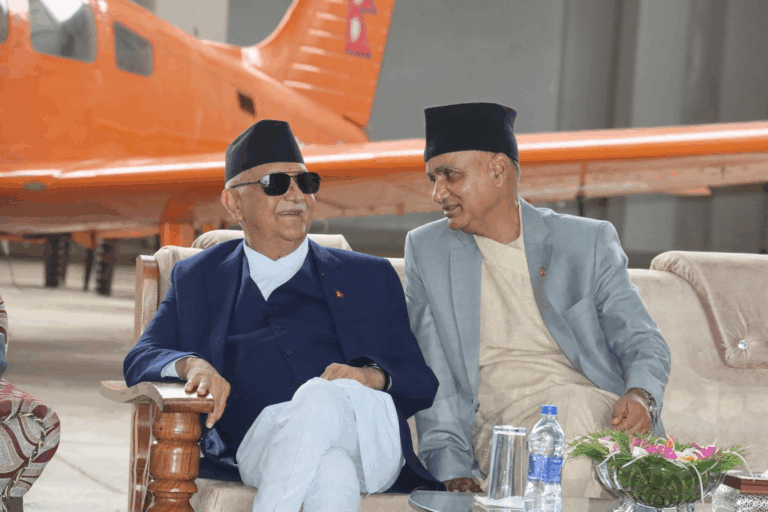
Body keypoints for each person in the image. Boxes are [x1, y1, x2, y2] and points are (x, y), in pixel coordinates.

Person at [124, 120, 444, 512]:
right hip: (258, 446)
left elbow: (420, 381)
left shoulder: (367, 276)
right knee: (332, 473)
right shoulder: (199, 277)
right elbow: (141, 357)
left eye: (306, 183)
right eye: (276, 183)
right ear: (233, 202)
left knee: (319, 397)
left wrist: (369, 377)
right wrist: (192, 364)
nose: (297, 195)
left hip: (367, 440)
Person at [404, 102, 671, 497]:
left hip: (594, 413)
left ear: (498, 170)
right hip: (501, 433)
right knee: (561, 432)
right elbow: (434, 371)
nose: (437, 193)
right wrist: (450, 467)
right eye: (433, 178)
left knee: (569, 411)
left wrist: (641, 396)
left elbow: (642, 339)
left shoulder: (585, 241)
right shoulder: (428, 250)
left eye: (450, 175)